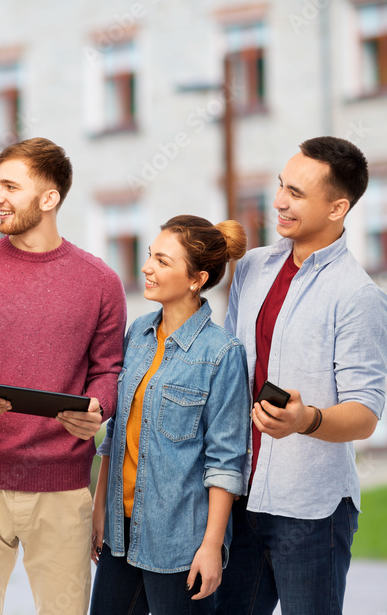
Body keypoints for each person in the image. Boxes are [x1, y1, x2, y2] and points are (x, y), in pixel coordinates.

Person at [0, 137, 127, 614]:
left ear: (49, 199)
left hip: (63, 488)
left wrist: (97, 409)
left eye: (10, 186)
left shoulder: (100, 281)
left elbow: (109, 370)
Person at [215, 137, 387, 615]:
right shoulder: (252, 268)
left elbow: (364, 414)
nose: (278, 202)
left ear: (338, 207)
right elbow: (229, 370)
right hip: (238, 496)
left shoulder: (358, 296)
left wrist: (306, 420)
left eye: (295, 192)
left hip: (312, 511)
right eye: (280, 186)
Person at [89, 215, 251, 615]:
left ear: (196, 279)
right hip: (120, 534)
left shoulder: (222, 353)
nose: (147, 267)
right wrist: (99, 510)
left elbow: (226, 461)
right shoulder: (138, 333)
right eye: (149, 256)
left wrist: (212, 546)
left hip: (180, 542)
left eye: (163, 261)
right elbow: (117, 432)